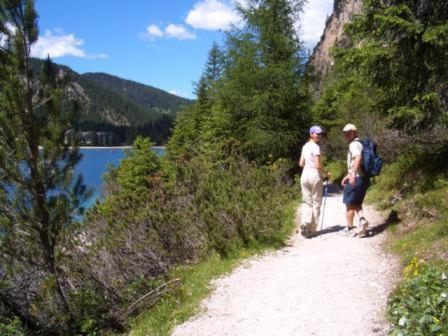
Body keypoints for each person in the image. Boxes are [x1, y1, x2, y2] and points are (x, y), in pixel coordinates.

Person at [299, 125, 330, 238]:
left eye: (320, 134)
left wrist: (309, 164)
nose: (319, 136)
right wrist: (326, 173)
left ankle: (304, 223)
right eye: (317, 134)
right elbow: (317, 165)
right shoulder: (316, 147)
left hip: (304, 175)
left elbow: (301, 163)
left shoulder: (305, 146)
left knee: (307, 202)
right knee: (316, 202)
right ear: (311, 134)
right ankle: (311, 230)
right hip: (314, 175)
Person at [340, 123, 370, 237]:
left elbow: (358, 158)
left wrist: (352, 174)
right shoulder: (360, 144)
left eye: (349, 133)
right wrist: (347, 175)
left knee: (349, 203)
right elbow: (355, 162)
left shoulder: (354, 144)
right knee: (356, 202)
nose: (347, 135)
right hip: (362, 178)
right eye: (345, 133)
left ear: (355, 133)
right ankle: (362, 220)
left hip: (356, 178)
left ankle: (349, 228)